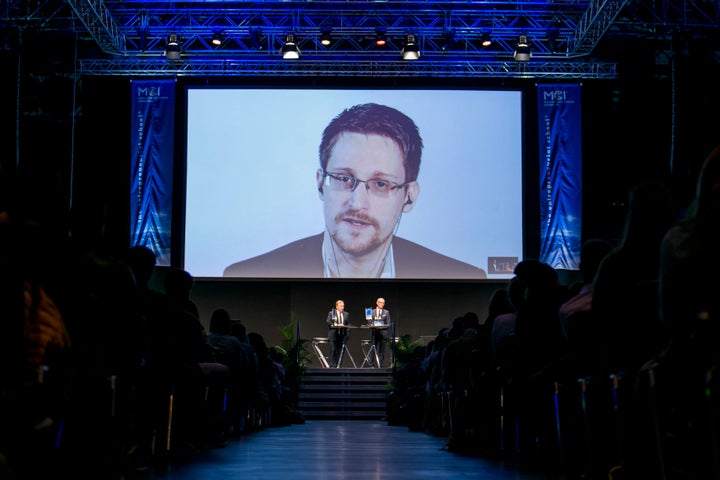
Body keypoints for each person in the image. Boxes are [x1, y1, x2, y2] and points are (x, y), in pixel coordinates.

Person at [223, 103, 487, 279]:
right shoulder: (250, 275)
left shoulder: (460, 277)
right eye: (343, 178)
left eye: (380, 184)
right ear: (319, 184)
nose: (358, 203)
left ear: (409, 196)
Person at [368, 297, 392, 367]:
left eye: (383, 303)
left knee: (382, 350)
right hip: (374, 333)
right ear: (377, 303)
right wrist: (374, 326)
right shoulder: (371, 311)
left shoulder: (386, 312)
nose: (382, 304)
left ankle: (380, 365)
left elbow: (388, 324)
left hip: (383, 333)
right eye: (381, 302)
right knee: (373, 348)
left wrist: (381, 326)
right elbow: (369, 322)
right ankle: (371, 365)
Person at [326, 299, 350, 368]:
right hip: (333, 335)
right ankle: (332, 366)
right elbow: (328, 322)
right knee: (333, 350)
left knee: (340, 351)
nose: (342, 307)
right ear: (336, 306)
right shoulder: (331, 313)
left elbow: (348, 324)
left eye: (343, 306)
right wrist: (336, 325)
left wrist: (347, 334)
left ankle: (338, 366)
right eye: (340, 306)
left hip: (342, 335)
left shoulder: (346, 314)